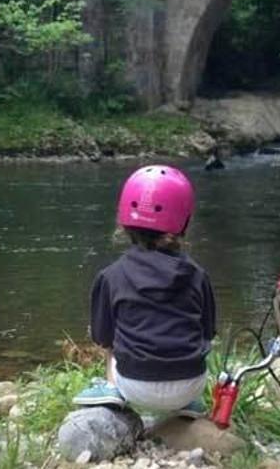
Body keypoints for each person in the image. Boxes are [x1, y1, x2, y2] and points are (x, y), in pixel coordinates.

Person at [73, 165, 216, 417]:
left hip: (135, 385)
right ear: (184, 221)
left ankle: (112, 389)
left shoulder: (111, 276)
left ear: (124, 221)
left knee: (111, 339)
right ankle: (185, 405)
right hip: (190, 384)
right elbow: (207, 333)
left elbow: (102, 337)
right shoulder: (198, 275)